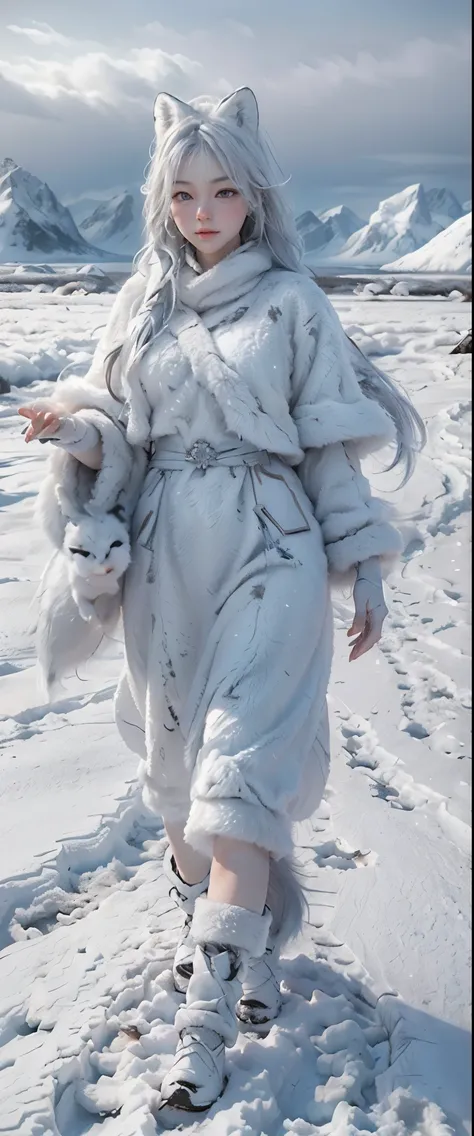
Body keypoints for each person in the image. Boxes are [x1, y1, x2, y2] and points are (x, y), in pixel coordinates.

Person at [19, 87, 425, 1116]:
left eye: (226, 190)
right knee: (181, 793)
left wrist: (361, 562)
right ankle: (239, 938)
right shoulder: (141, 306)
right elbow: (120, 431)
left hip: (270, 545)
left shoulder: (295, 304)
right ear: (165, 197)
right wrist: (79, 435)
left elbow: (331, 450)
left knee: (240, 775)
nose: (205, 212)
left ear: (255, 195)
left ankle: (204, 1017)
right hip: (167, 565)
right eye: (186, 192)